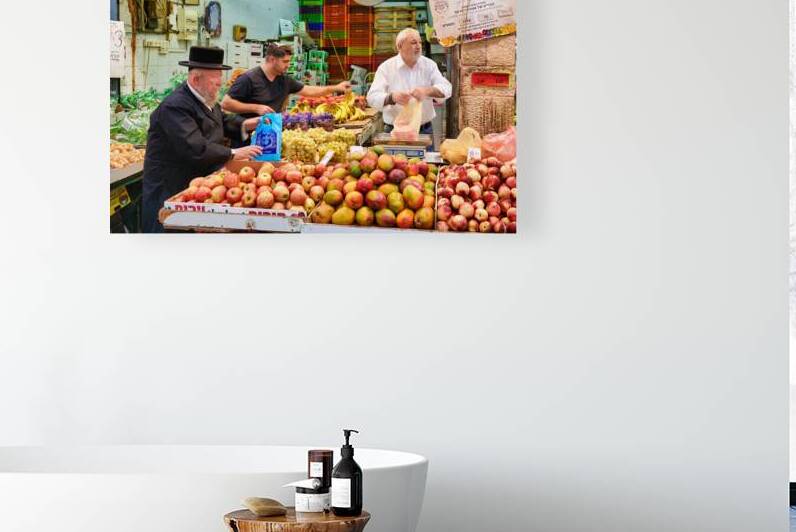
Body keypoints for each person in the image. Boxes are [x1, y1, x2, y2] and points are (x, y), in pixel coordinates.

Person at [141, 46, 262, 233]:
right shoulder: (175, 107)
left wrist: (249, 124)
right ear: (196, 79)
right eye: (215, 79)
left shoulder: (206, 100)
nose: (220, 83)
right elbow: (194, 147)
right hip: (170, 191)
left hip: (195, 188)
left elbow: (222, 122)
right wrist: (233, 153)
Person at [221, 44, 352, 139]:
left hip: (271, 136)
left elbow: (309, 90)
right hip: (247, 138)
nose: (288, 65)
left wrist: (335, 88)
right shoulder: (248, 79)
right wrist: (256, 108)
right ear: (272, 59)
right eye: (285, 61)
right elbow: (226, 103)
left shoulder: (284, 80)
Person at [366, 28, 452, 146]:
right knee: (394, 164)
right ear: (400, 46)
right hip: (394, 131)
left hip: (423, 131)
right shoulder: (386, 68)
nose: (418, 46)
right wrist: (392, 97)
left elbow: (447, 88)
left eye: (420, 42)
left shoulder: (429, 65)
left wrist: (428, 91)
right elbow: (372, 97)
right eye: (413, 43)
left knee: (426, 164)